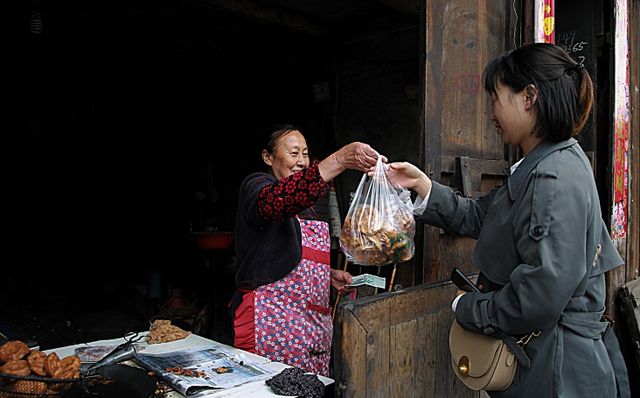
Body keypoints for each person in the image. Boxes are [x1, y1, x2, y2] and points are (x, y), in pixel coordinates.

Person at [384, 43, 630, 397]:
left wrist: (469, 308)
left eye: (496, 98)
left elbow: (540, 295)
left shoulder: (553, 177)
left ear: (528, 97)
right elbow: (482, 215)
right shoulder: (542, 165)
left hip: (558, 373)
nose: (491, 113)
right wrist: (423, 186)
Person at [231, 124, 381, 376]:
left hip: (312, 328)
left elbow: (289, 255)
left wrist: (325, 274)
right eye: (293, 153)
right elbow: (278, 201)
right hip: (274, 325)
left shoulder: (308, 208)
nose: (302, 161)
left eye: (305, 153)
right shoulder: (258, 186)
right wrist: (340, 160)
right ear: (268, 158)